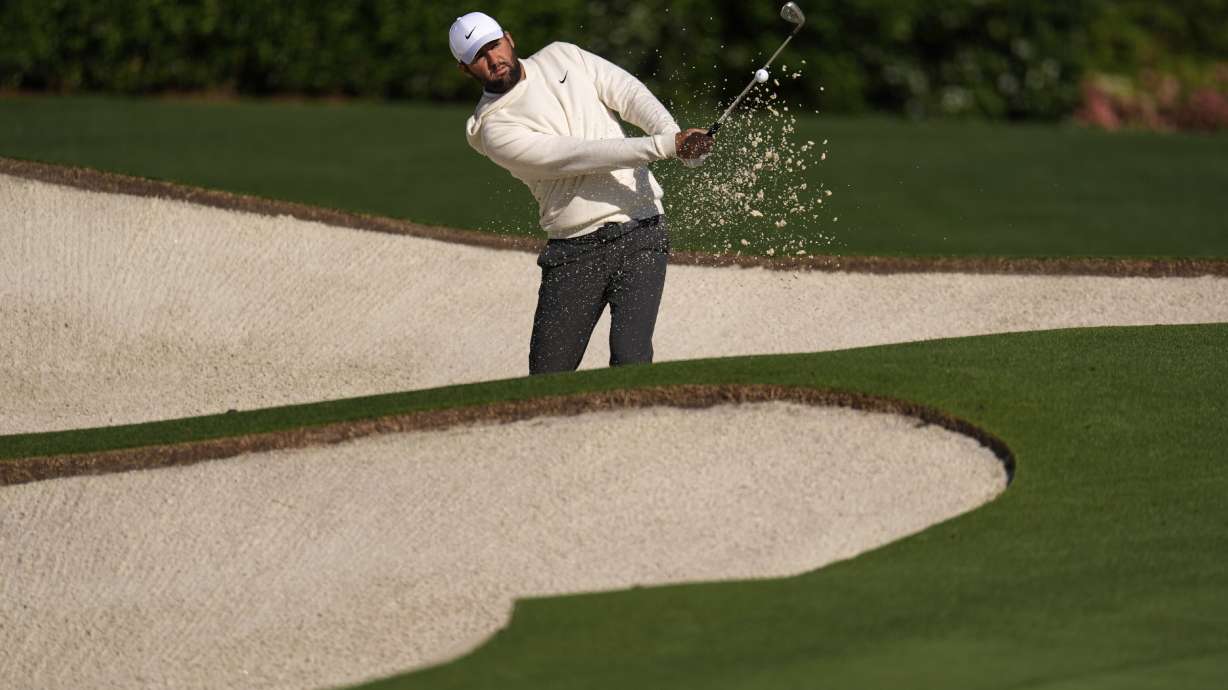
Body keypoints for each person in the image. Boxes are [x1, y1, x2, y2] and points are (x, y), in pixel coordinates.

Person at [450, 11, 714, 375]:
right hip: (576, 251)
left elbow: (626, 92)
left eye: (494, 45)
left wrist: (674, 134)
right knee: (548, 376)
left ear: (509, 39)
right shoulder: (494, 129)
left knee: (632, 358)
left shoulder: (563, 55)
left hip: (642, 227)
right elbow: (579, 155)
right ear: (465, 69)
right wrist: (667, 145)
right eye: (479, 56)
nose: (493, 60)